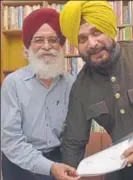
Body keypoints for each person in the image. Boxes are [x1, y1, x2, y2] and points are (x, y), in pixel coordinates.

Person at [59, 1, 133, 180]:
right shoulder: (81, 87)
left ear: (109, 28)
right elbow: (73, 142)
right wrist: (69, 172)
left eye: (96, 32)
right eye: (82, 39)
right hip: (125, 170)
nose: (92, 44)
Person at [1, 8, 79, 180]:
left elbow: (73, 132)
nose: (46, 46)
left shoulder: (71, 83)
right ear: (27, 48)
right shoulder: (13, 83)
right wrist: (50, 168)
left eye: (53, 40)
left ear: (61, 46)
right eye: (38, 40)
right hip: (20, 165)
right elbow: (11, 142)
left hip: (60, 160)